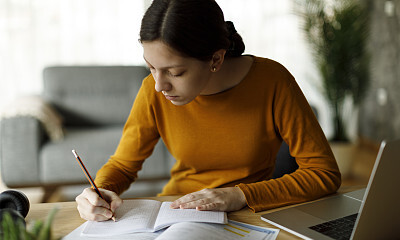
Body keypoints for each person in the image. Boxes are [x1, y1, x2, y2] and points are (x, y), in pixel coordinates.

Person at [76, 0, 341, 221]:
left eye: (175, 72)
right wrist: (100, 191)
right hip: (174, 213)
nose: (159, 85)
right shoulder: (152, 91)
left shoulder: (273, 81)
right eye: (151, 68)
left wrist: (240, 194)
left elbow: (323, 172)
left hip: (249, 214)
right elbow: (123, 166)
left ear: (216, 58)